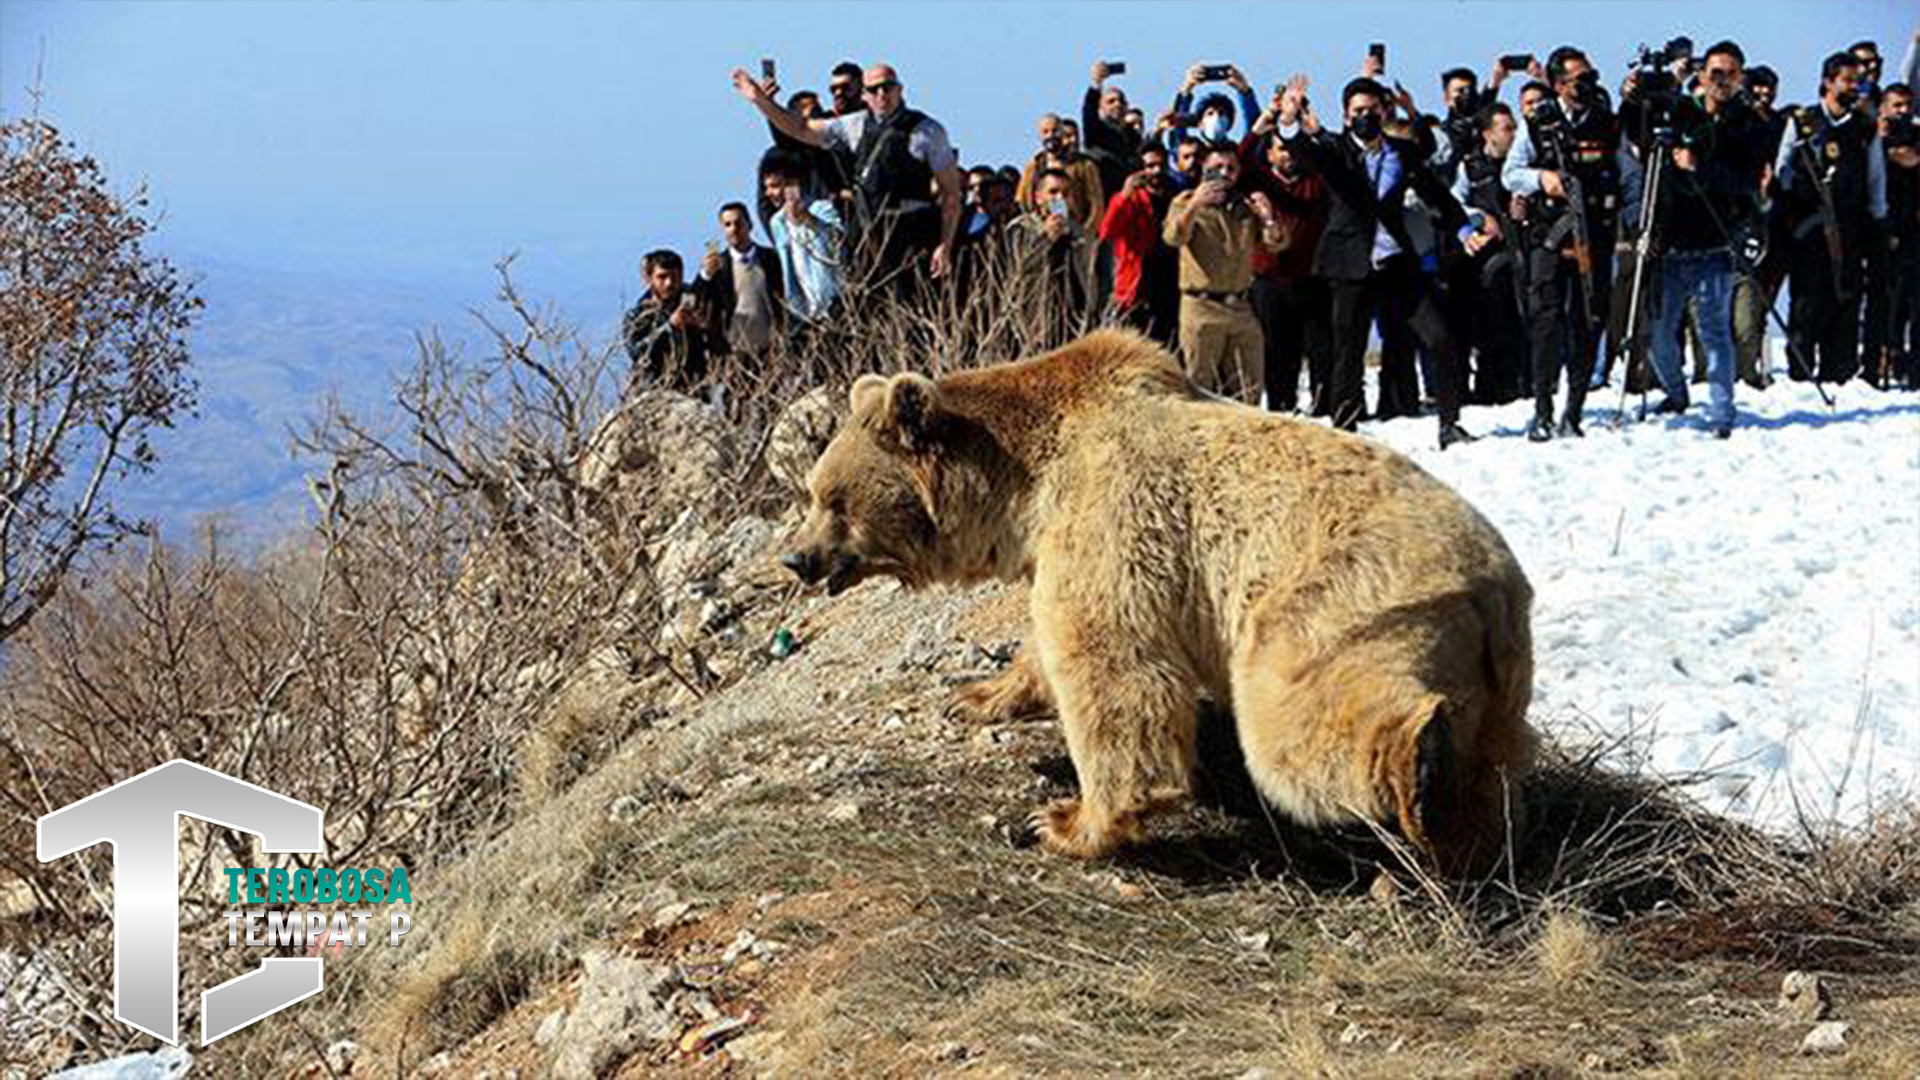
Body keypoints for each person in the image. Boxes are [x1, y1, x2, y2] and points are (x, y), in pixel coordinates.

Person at [1279, 73, 1486, 449]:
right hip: (1350, 266)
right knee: (1349, 350)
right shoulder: (1335, 150)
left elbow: (1438, 195)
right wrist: (1290, 119)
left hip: (1396, 263)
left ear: (1383, 111)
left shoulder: (1402, 153)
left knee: (1440, 337)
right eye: (1357, 111)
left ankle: (1450, 424)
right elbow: (1302, 150)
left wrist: (1463, 231)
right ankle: (1345, 431)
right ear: (1346, 116)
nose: (1365, 116)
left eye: (1372, 109)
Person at [1636, 40, 1773, 438]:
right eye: (1715, 73)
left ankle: (1721, 412)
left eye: (1730, 74)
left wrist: (1701, 166)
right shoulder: (1679, 110)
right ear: (1701, 74)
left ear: (1741, 77)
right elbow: (1640, 130)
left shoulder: (1750, 124)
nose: (1722, 81)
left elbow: (1747, 181)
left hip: (1715, 242)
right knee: (1660, 333)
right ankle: (1676, 393)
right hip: (1669, 242)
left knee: (1714, 331)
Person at [732, 62, 963, 287]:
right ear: (865, 94)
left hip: (913, 235)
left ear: (899, 89)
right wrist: (760, 100)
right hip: (867, 236)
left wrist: (945, 245)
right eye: (874, 89)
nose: (881, 94)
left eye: (888, 86)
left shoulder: (928, 131)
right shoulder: (855, 126)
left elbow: (951, 194)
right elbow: (801, 129)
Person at [1504, 47, 1623, 440]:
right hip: (1550, 238)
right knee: (1546, 323)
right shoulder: (1537, 122)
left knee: (1589, 321)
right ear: (1558, 85)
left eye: (1591, 76)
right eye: (1579, 79)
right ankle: (1542, 409)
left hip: (1596, 237)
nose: (1588, 85)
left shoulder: (1606, 123)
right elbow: (1512, 173)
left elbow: (1629, 176)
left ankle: (1574, 410)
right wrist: (1543, 180)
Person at [1775, 51, 1888, 383]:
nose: (1855, 87)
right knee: (1806, 305)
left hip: (1850, 230)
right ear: (1828, 81)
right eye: (1848, 80)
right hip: (1808, 232)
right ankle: (1801, 375)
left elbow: (1875, 179)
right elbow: (1782, 171)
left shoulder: (1865, 130)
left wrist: (1878, 222)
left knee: (1846, 302)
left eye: (1859, 81)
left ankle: (1839, 374)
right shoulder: (1802, 122)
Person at [1161, 142, 1285, 403]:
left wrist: (1267, 217)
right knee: (1197, 387)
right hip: (1201, 308)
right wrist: (1195, 205)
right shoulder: (1184, 202)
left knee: (1249, 387)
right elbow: (1173, 237)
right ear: (1204, 169)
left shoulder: (1245, 206)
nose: (1225, 173)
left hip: (1240, 306)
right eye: (1217, 167)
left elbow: (1277, 243)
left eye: (1231, 168)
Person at [1244, 93, 1332, 412]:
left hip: (1311, 278)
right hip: (1269, 281)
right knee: (1277, 352)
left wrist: (1310, 127)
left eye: (1292, 148)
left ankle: (1325, 407)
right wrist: (1260, 125)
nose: (1288, 154)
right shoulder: (1260, 181)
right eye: (1281, 148)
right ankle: (1281, 406)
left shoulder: (1316, 182)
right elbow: (1237, 164)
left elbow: (1335, 160)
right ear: (1269, 154)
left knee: (1321, 350)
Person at [1451, 102, 1531, 404]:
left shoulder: (1524, 163)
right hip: (1486, 261)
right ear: (1488, 134)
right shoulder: (1470, 166)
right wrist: (1479, 217)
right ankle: (1489, 388)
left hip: (1523, 253)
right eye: (1506, 128)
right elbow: (1453, 204)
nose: (1513, 134)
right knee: (1489, 326)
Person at [1100, 143, 1180, 343]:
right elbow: (1108, 231)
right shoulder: (1131, 199)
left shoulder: (1176, 194)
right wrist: (1124, 195)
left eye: (1160, 165)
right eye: (1150, 166)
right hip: (1137, 285)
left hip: (1172, 282)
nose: (1156, 171)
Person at [1009, 168, 1098, 346]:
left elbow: (1090, 273)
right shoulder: (1022, 228)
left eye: (1066, 193)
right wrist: (1046, 238)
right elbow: (1020, 269)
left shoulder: (1079, 231)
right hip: (1037, 322)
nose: (1060, 199)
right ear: (1038, 197)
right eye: (1053, 192)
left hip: (1076, 319)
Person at [762, 152, 846, 328]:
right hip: (802, 312)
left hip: (834, 304)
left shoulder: (822, 209)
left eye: (775, 186)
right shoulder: (776, 223)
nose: (769, 193)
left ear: (793, 184)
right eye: (767, 187)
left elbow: (839, 241)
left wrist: (807, 218)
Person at [697, 201, 787, 360]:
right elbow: (696, 300)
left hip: (772, 350)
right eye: (727, 224)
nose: (734, 229)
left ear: (750, 225)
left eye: (738, 223)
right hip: (733, 353)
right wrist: (705, 275)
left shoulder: (771, 259)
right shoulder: (718, 267)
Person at [622, 250, 716, 394]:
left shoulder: (693, 301)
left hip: (695, 390)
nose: (669, 283)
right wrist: (670, 327)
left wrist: (704, 327)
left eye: (675, 277)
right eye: (662, 277)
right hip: (654, 392)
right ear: (649, 278)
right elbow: (638, 352)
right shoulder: (638, 316)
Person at [1015, 113, 1108, 232]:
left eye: (1055, 131)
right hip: (1043, 234)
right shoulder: (1034, 166)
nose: (1051, 135)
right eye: (1046, 132)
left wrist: (1087, 234)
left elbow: (1096, 204)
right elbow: (1023, 200)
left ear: (1062, 133)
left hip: (1076, 232)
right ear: (1039, 136)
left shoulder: (1084, 166)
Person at [1084, 61, 1144, 198]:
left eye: (1121, 101)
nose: (1117, 104)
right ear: (1101, 108)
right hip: (1104, 200)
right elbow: (1089, 112)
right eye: (1110, 101)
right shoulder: (1096, 131)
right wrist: (1096, 83)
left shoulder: (1133, 136)